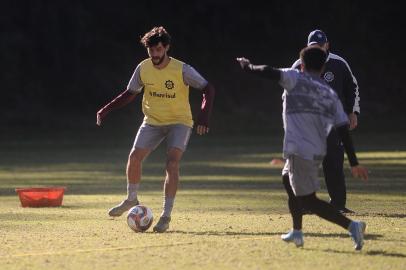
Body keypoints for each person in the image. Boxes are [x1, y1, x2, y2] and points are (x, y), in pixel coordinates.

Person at [236, 46, 368, 250]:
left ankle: (352, 226)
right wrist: (354, 162)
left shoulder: (295, 78)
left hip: (300, 150)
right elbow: (343, 129)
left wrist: (247, 67)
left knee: (309, 200)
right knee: (286, 180)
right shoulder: (329, 93)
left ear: (302, 65)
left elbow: (269, 71)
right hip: (315, 150)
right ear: (323, 67)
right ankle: (297, 232)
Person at [96, 26, 215, 233]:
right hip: (152, 121)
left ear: (166, 47)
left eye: (159, 50)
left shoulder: (182, 69)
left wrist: (203, 116)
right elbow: (130, 93)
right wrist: (107, 108)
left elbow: (208, 88)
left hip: (179, 121)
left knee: (171, 164)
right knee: (134, 157)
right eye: (151, 51)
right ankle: (131, 199)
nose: (155, 55)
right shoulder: (143, 68)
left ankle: (166, 216)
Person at [291, 30, 361, 213]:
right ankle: (304, 203)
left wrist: (353, 112)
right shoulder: (299, 65)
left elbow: (352, 87)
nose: (318, 50)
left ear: (327, 45)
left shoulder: (339, 63)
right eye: (313, 46)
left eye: (320, 46)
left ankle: (338, 204)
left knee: (334, 163)